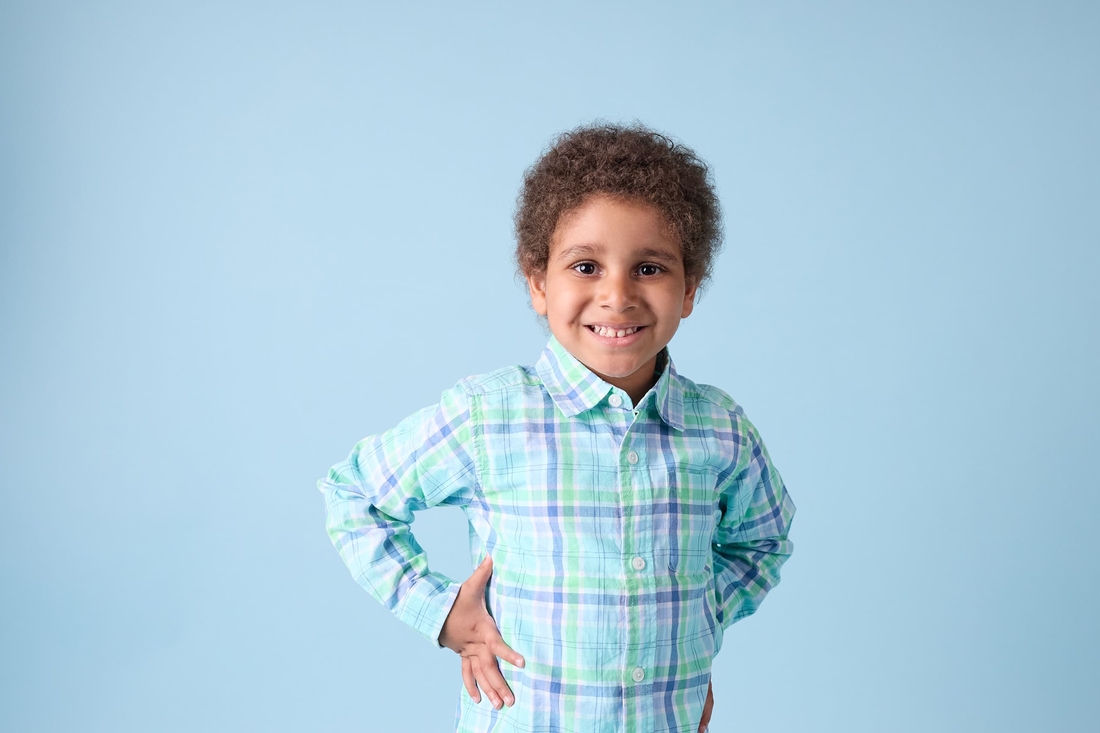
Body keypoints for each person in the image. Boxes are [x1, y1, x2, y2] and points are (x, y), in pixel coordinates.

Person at [318, 123, 796, 733]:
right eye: (587, 266)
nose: (617, 296)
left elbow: (762, 542)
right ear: (539, 283)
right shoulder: (489, 416)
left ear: (690, 289)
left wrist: (693, 632)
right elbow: (354, 494)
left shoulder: (720, 430)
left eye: (649, 268)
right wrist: (441, 614)